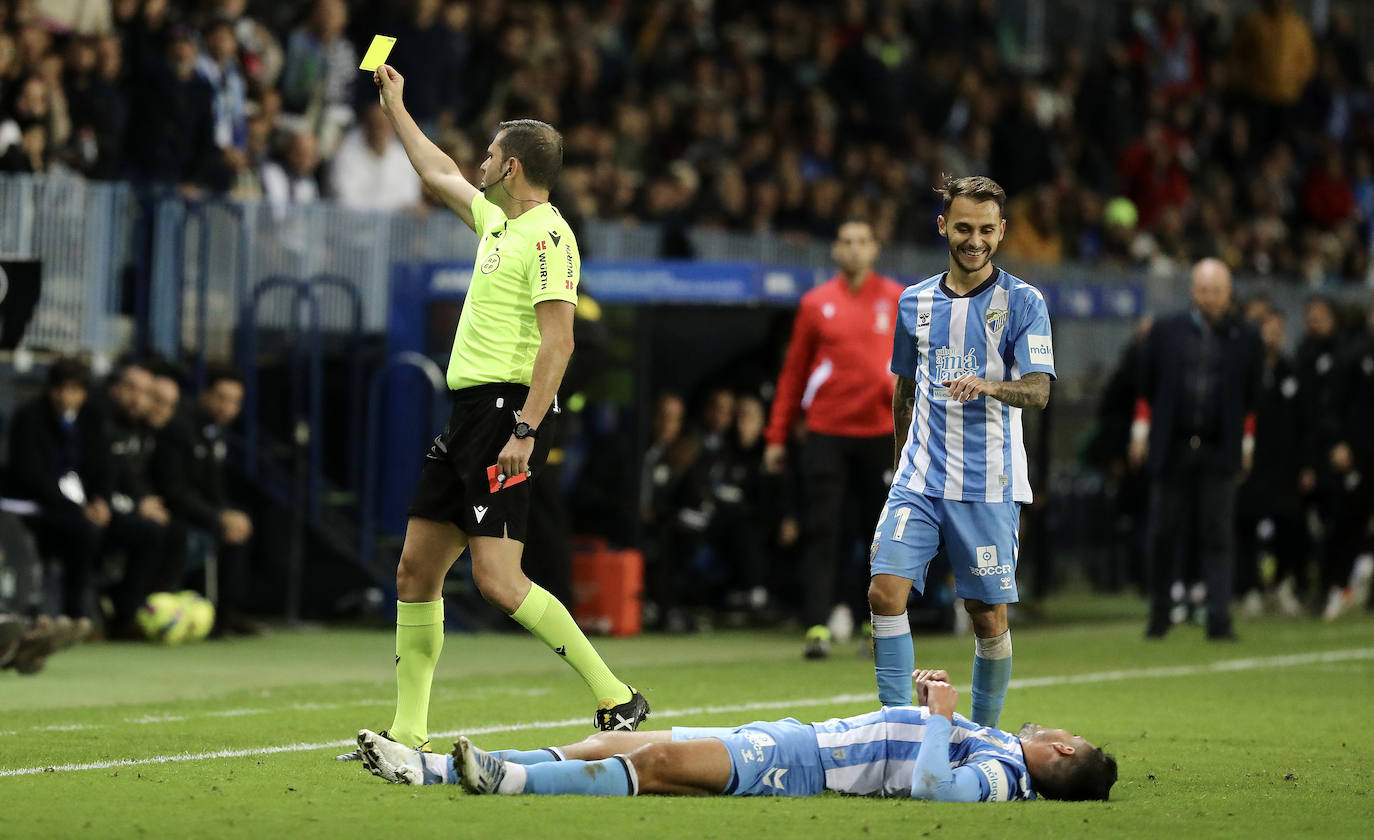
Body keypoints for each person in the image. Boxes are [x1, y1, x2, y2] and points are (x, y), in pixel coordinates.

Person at [339, 62, 647, 761]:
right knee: (416, 571)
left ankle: (616, 698)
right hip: (467, 418)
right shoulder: (497, 224)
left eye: (487, 154)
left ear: (509, 166)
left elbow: (559, 339)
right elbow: (438, 172)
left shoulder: (549, 236)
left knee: (498, 581)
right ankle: (407, 734)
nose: (475, 163)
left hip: (507, 415)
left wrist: (527, 430)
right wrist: (396, 106)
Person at [868, 176, 1055, 729]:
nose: (975, 241)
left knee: (986, 615)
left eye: (986, 230)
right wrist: (902, 460)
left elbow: (1040, 390)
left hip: (988, 483)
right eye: (965, 228)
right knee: (883, 593)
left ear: (1002, 232)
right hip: (920, 479)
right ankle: (897, 729)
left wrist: (993, 385)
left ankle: (984, 734)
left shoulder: (1023, 302)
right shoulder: (914, 301)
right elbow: (905, 388)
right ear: (944, 226)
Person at [354, 668, 1117, 803]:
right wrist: (929, 708)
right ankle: (427, 771)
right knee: (605, 747)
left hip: (803, 764)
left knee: (654, 760)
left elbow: (932, 787)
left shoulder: (1000, 777)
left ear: (1060, 754)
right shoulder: (1002, 748)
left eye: (1065, 735)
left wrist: (940, 719)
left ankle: (507, 781)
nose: (1053, 727)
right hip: (798, 737)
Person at [763, 219, 904, 658]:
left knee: (879, 534)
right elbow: (793, 375)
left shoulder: (899, 299)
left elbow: (918, 371)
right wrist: (776, 435)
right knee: (823, 529)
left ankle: (876, 626)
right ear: (836, 251)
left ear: (875, 248)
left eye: (863, 241)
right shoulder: (814, 304)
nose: (855, 249)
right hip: (826, 431)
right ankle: (817, 627)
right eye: (846, 242)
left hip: (881, 433)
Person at [1130, 259, 1262, 641]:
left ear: (1229, 293)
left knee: (1218, 535)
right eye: (1203, 290)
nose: (1209, 298)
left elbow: (1253, 400)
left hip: (1220, 450)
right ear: (1193, 290)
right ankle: (1159, 616)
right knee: (1164, 534)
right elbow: (1146, 390)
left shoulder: (1246, 337)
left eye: (1216, 291)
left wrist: (1247, 446)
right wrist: (1139, 435)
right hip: (1172, 447)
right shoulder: (1166, 332)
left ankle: (1220, 620)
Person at [150, 366, 259, 635]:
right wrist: (217, 517)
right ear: (205, 395)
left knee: (239, 527)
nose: (227, 406)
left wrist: (228, 514)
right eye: (221, 397)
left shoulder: (215, 434)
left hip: (196, 511)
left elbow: (214, 490)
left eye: (234, 401)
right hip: (171, 510)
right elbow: (174, 490)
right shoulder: (180, 428)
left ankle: (226, 616)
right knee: (193, 533)